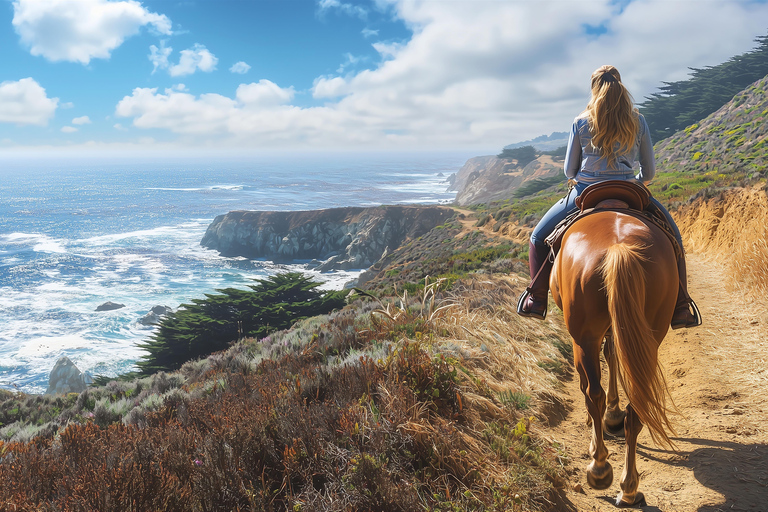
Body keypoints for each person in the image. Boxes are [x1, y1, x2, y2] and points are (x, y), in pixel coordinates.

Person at [518, 64, 700, 330]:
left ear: (594, 88)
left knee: (537, 237)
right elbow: (648, 171)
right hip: (630, 190)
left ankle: (536, 299)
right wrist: (635, 182)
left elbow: (570, 170)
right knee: (674, 238)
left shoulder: (581, 121)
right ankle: (682, 306)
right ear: (621, 85)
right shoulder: (638, 120)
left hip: (586, 191)